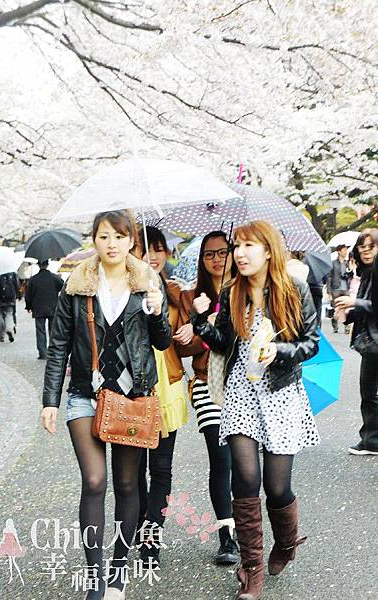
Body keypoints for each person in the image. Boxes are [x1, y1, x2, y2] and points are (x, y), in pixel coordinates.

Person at [41, 210, 171, 600]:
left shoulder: (147, 282)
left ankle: (118, 571)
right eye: (103, 237)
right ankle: (95, 577)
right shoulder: (77, 284)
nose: (111, 243)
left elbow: (162, 343)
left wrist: (156, 309)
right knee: (95, 481)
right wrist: (50, 400)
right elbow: (59, 346)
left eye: (118, 236)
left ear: (131, 241)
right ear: (93, 242)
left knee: (128, 483)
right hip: (85, 394)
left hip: (132, 398)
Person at [192, 220, 320, 600]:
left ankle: (286, 542)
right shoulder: (234, 291)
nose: (240, 253)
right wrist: (201, 319)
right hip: (242, 394)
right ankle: (251, 570)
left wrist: (279, 352)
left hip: (280, 393)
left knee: (276, 487)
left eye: (249, 245)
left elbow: (311, 343)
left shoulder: (293, 289)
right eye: (237, 246)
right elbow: (223, 342)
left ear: (269, 250)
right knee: (245, 479)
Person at [176, 231, 239, 565]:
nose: (216, 259)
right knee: (221, 456)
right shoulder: (192, 297)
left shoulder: (245, 291)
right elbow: (182, 346)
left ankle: (246, 527)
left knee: (243, 464)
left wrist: (224, 325)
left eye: (222, 251)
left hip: (240, 384)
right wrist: (203, 325)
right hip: (204, 382)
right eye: (209, 254)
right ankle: (226, 536)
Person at [138, 226, 189, 566]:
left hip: (168, 384)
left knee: (161, 468)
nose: (152, 256)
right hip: (136, 387)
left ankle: (151, 538)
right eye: (146, 249)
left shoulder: (174, 292)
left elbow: (187, 344)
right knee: (132, 471)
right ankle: (139, 526)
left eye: (158, 249)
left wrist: (194, 326)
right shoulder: (125, 290)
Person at [335, 229, 378, 456]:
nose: (366, 251)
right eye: (362, 246)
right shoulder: (367, 273)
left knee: (369, 392)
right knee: (369, 391)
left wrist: (354, 302)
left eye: (371, 246)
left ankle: (371, 440)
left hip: (375, 342)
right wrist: (347, 313)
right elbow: (366, 308)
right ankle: (371, 438)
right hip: (370, 340)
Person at [25, 260, 64, 359]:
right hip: (52, 307)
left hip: (38, 308)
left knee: (40, 330)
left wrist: (28, 306)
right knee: (53, 330)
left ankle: (42, 353)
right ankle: (53, 351)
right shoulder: (54, 277)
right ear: (47, 265)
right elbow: (63, 287)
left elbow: (28, 295)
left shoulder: (33, 279)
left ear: (39, 265)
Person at [327, 244, 353, 333]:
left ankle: (347, 327)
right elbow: (329, 277)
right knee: (337, 309)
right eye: (344, 250)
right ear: (339, 251)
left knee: (347, 309)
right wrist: (329, 292)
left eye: (346, 250)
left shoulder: (347, 263)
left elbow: (351, 276)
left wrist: (350, 270)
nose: (345, 252)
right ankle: (335, 325)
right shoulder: (333, 263)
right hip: (336, 289)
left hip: (346, 288)